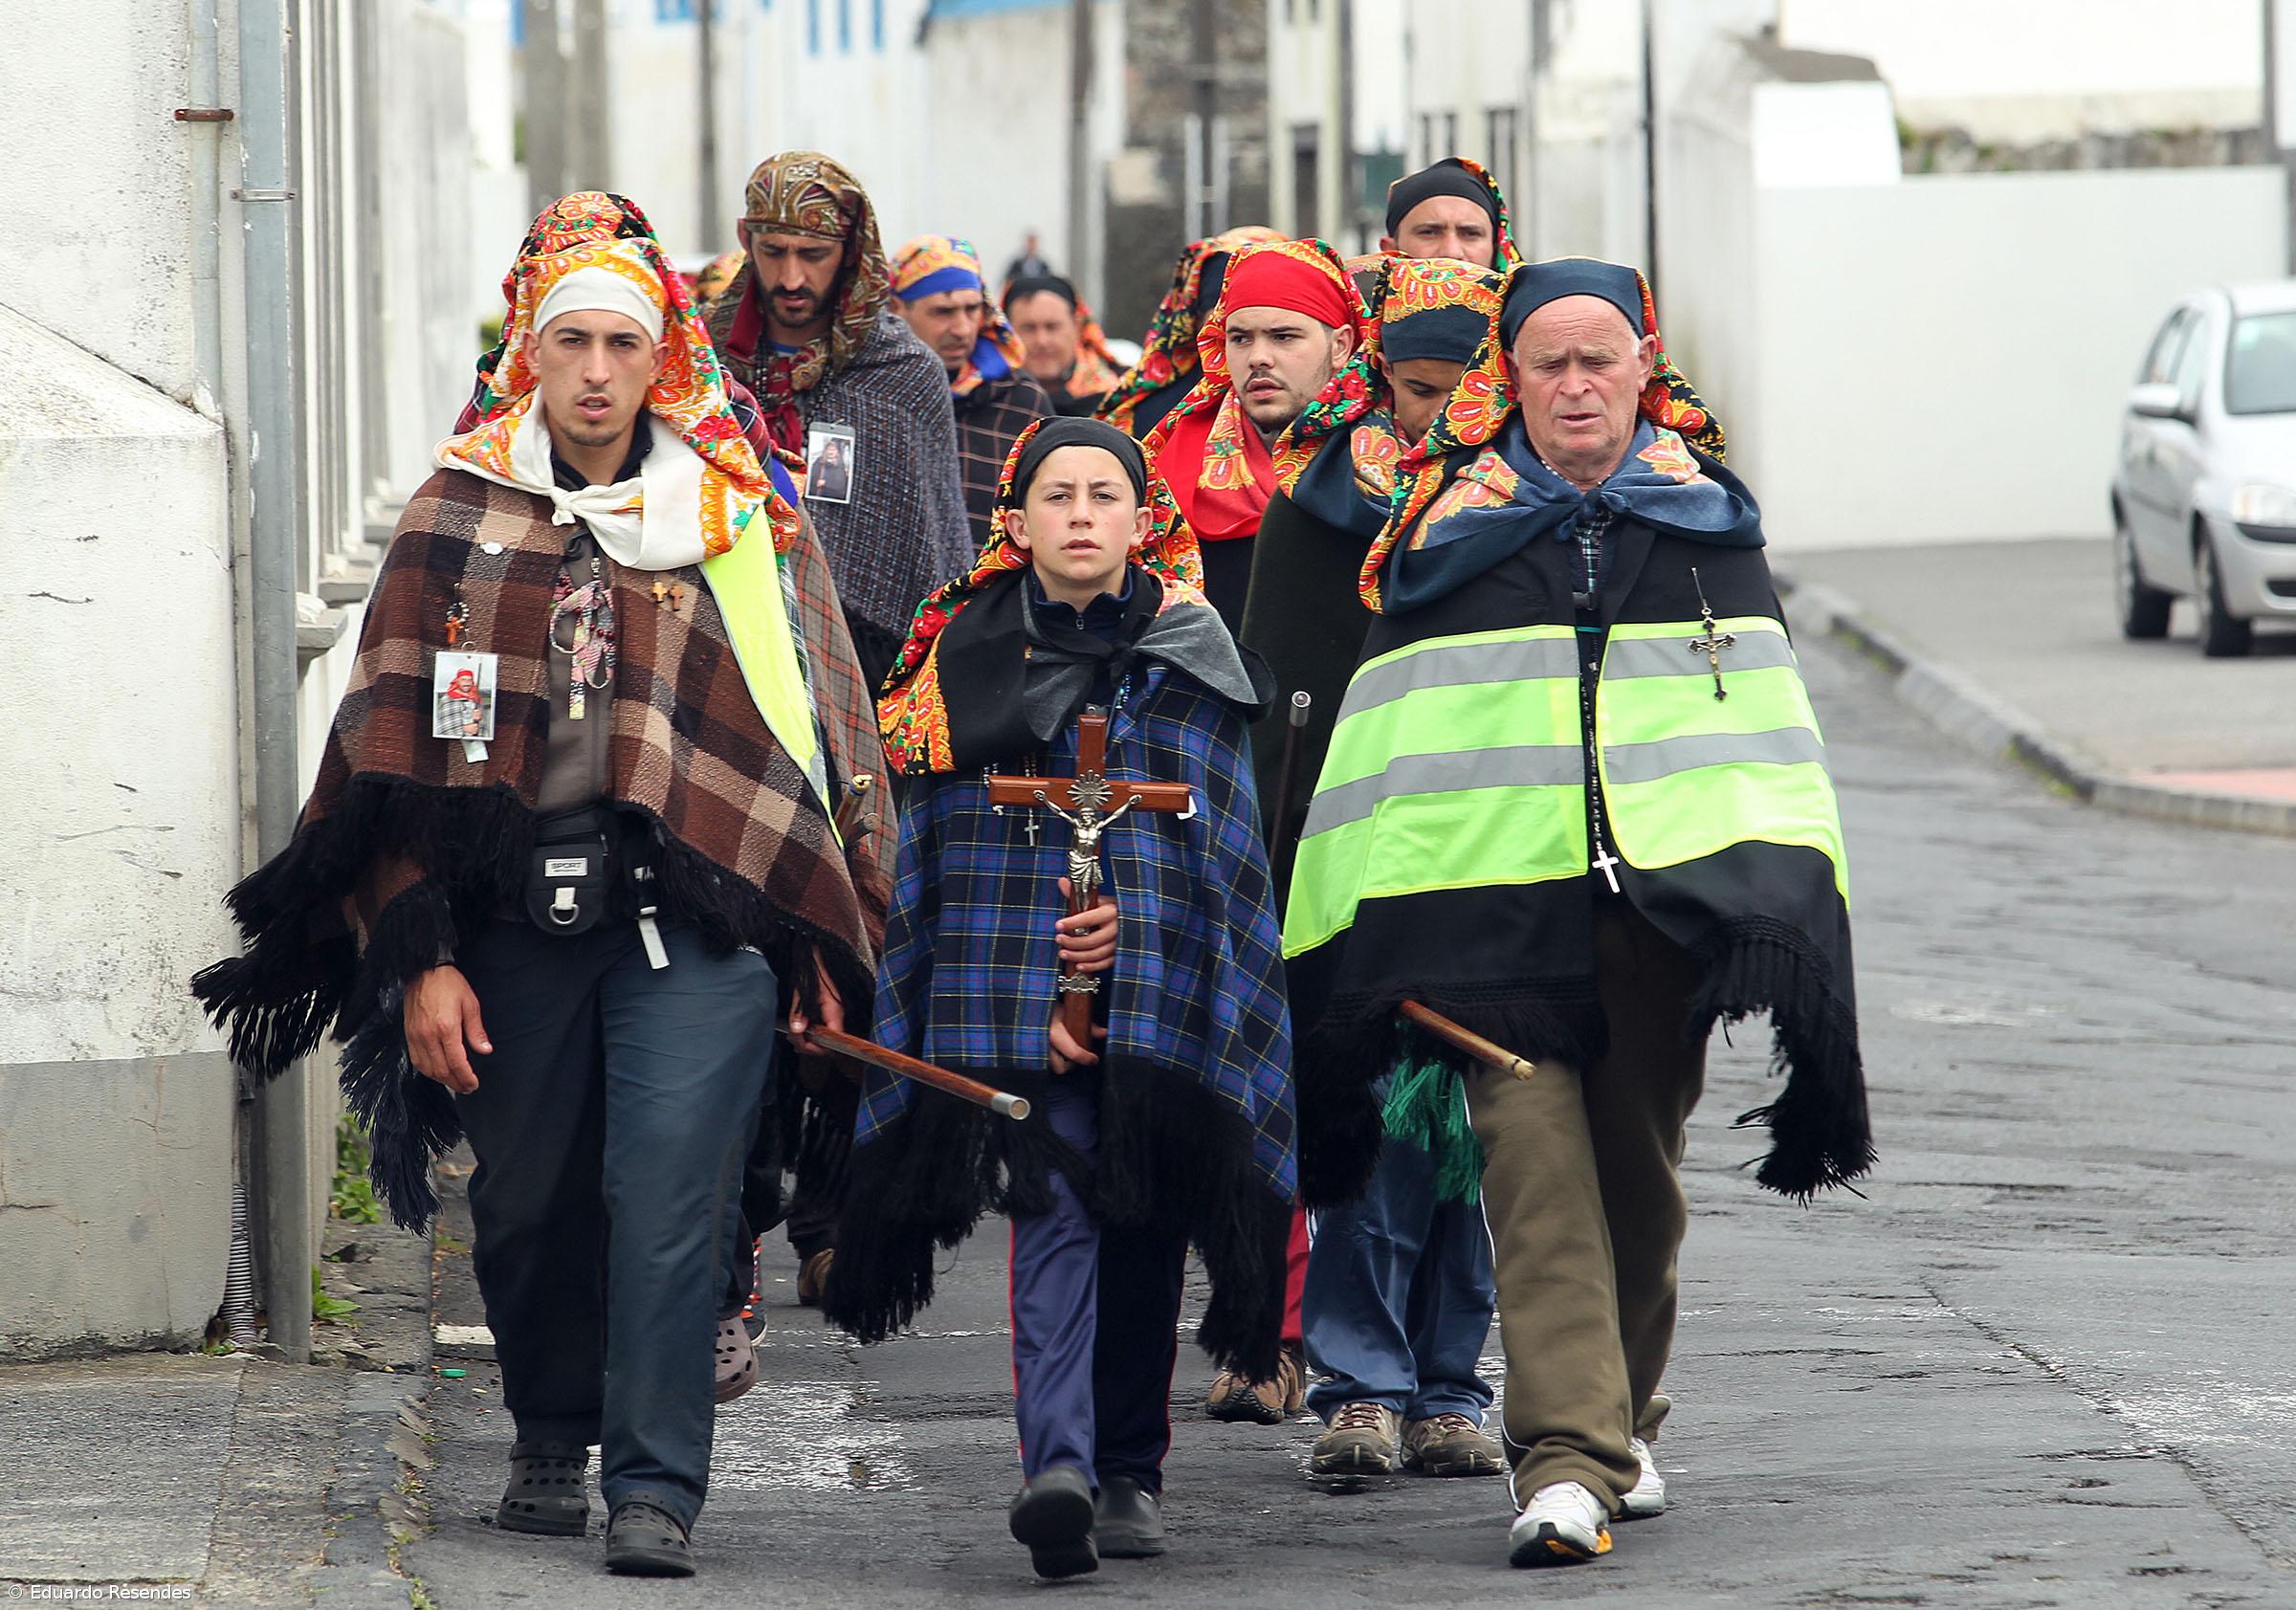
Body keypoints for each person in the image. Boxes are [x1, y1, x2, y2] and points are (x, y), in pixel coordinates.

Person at [193, 192, 877, 1578]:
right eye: (570, 339)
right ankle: (551, 1428)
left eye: (622, 342)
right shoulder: (457, 511)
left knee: (669, 1188)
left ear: (663, 355)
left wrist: (817, 927)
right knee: (525, 1196)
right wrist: (420, 951)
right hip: (513, 922)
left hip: (698, 922)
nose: (596, 370)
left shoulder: (740, 520)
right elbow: (384, 759)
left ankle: (654, 1482)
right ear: (530, 349)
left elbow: (822, 730)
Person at [1284, 256, 1871, 1568]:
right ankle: (1564, 1462)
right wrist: (1351, 929)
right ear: (1511, 377)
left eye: (1598, 358)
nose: (1574, 383)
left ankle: (1620, 1418)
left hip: (1657, 923)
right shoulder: (1442, 541)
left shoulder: (1711, 527)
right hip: (1489, 924)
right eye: (1546, 360)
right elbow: (1385, 756)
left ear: (1642, 369)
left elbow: (1770, 743)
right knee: (1535, 1179)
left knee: (1638, 1190)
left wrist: (1775, 900)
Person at [828, 417, 1296, 1580]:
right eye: (1057, 494)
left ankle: (1131, 1467)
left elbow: (1219, 855)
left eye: (1104, 494)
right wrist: (1033, 977)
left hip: (1163, 993)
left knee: (1145, 1226)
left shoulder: (1194, 656)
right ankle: (1063, 1469)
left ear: (1144, 519)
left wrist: (1131, 941)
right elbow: (948, 854)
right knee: (1059, 1213)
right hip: (1017, 997)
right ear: (1019, 518)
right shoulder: (961, 656)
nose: (1082, 513)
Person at [1142, 235, 1382, 1427]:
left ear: (1341, 343)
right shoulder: (1165, 460)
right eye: (1240, 337)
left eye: (1286, 335)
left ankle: (1297, 1338)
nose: (1258, 360)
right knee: (1215, 1068)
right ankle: (1251, 1315)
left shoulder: (1382, 468)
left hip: (1338, 801)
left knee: (1321, 1076)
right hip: (1199, 798)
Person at [1292, 254, 1512, 1483]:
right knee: (1370, 1136)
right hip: (1356, 859)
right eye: (1417, 388)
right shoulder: (1325, 504)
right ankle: (1361, 1386)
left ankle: (1449, 1385)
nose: (1437, 416)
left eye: (1461, 386)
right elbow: (1285, 703)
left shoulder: (1522, 509)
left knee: (1476, 1145)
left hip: (1490, 857)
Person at [705, 151, 972, 689]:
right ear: (745, 239)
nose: (791, 276)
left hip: (865, 662)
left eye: (814, 254)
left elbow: (934, 550)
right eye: (773, 251)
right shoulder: (702, 366)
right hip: (722, 643)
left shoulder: (902, 374)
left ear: (850, 254)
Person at [890, 234, 1057, 547]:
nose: (962, 329)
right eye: (943, 312)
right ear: (897, 309)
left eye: (971, 309)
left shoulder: (1021, 400)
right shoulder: (875, 398)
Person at [1097, 225, 1284, 440]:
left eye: (1283, 334)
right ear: (1194, 321)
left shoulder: (1318, 412)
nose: (1259, 355)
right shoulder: (1149, 417)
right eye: (1222, 311)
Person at [1004, 274, 1124, 416]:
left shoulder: (1120, 395)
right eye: (1029, 328)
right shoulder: (988, 399)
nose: (1042, 341)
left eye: (1052, 327)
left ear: (1077, 327)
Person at [1380, 156, 1520, 269]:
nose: (1451, 253)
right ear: (1390, 251)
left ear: (1498, 250)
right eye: (1428, 232)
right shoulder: (1362, 304)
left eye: (1471, 233)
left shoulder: (1530, 303)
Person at [806, 433, 852, 502]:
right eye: (829, 449)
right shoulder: (819, 461)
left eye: (833, 450)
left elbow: (841, 483)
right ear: (826, 451)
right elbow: (812, 475)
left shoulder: (840, 464)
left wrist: (826, 483)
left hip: (834, 495)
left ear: (837, 452)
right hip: (819, 494)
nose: (831, 452)